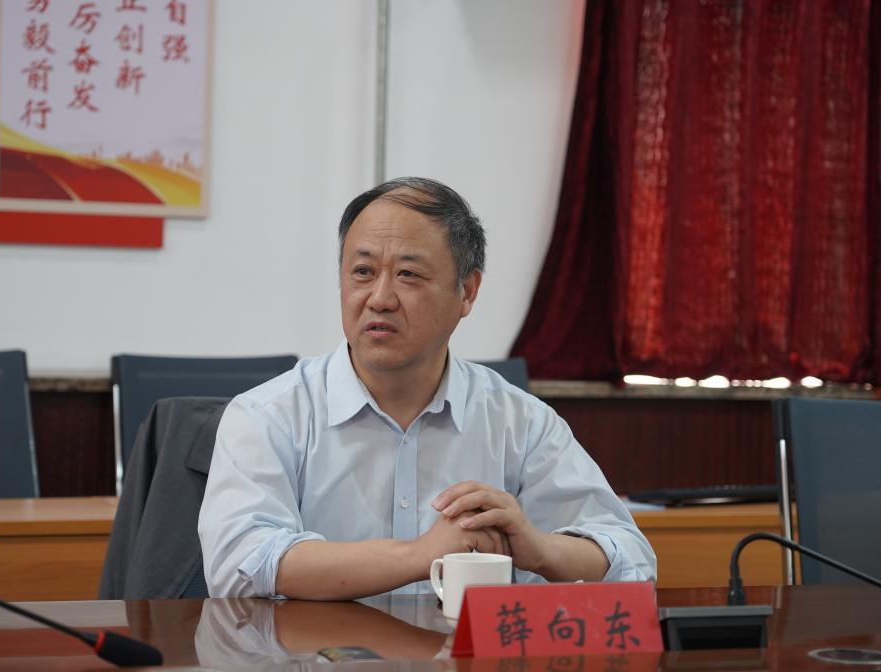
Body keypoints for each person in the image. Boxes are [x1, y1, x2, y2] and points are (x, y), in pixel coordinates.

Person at [198, 177, 656, 600]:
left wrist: (539, 549)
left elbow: (632, 562)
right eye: (362, 272)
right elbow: (240, 565)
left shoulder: (520, 421)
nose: (380, 298)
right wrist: (423, 555)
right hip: (314, 656)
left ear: (467, 292)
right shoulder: (268, 416)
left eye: (409, 275)